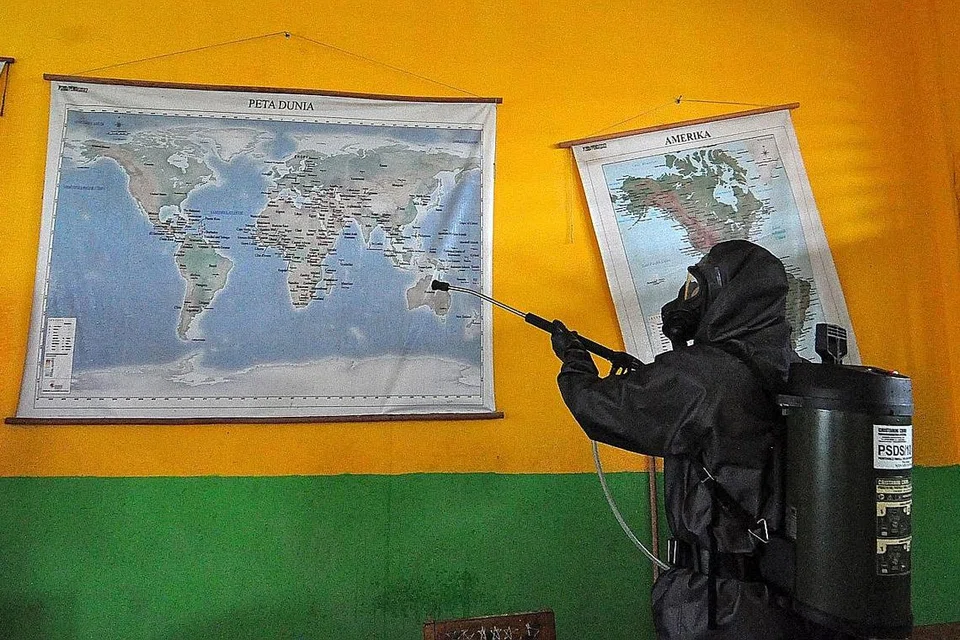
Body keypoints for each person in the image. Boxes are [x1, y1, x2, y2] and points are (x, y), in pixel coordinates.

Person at [551, 240, 813, 639]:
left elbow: (598, 406)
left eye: (697, 286)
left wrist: (574, 361)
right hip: (786, 593)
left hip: (718, 604)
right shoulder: (794, 369)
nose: (687, 297)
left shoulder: (702, 375)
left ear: (728, 296)